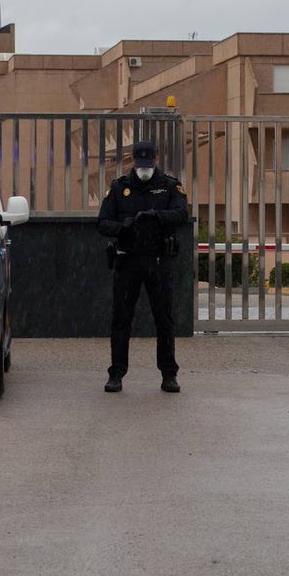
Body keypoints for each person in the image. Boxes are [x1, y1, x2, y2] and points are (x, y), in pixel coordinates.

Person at [97, 140, 189, 393]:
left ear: (156, 161)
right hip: (128, 260)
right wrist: (123, 225)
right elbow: (103, 222)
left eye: (149, 164)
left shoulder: (169, 186)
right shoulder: (120, 188)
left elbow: (182, 215)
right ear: (133, 162)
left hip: (158, 260)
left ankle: (169, 374)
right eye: (140, 165)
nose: (144, 169)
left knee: (164, 320)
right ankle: (116, 373)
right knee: (121, 319)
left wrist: (156, 216)